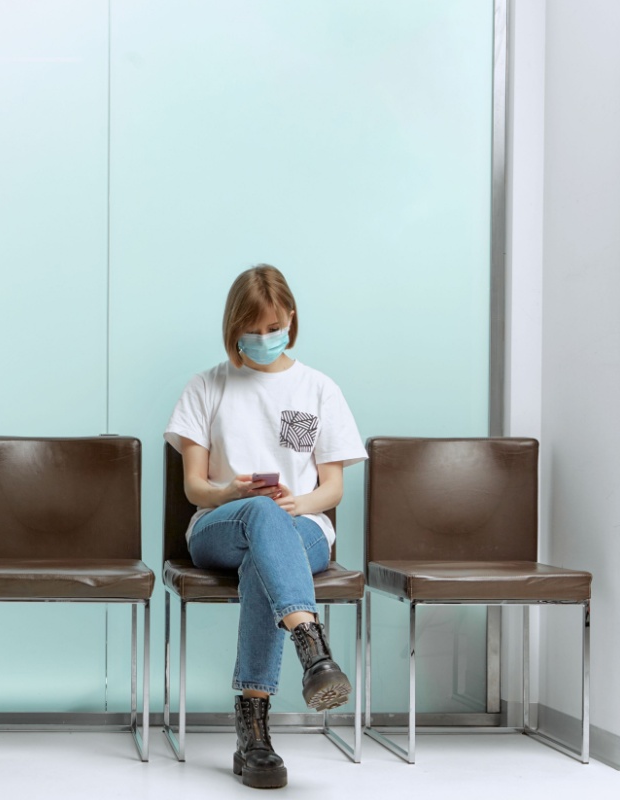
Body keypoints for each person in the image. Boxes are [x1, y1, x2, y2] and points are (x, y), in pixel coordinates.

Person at [164, 264, 366, 790]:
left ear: (291, 320)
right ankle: (312, 646)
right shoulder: (206, 386)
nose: (262, 338)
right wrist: (232, 490)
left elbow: (332, 489)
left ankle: (253, 732)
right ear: (233, 328)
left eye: (271, 327)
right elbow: (194, 488)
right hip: (220, 524)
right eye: (250, 330)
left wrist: (299, 503)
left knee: (265, 554)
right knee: (259, 515)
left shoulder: (318, 388)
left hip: (301, 528)